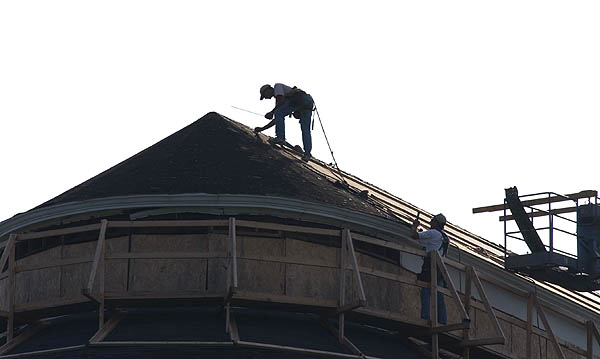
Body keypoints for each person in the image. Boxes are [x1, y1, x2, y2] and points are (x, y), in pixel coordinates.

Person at [254, 83, 314, 161]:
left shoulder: (277, 87)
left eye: (264, 95)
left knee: (278, 112)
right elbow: (277, 120)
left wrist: (272, 112)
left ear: (268, 90)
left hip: (301, 100)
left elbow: (280, 105)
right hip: (307, 103)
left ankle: (280, 138)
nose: (266, 98)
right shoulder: (279, 101)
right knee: (305, 129)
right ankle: (307, 154)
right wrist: (262, 129)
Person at [411, 213, 450, 325]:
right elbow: (430, 243)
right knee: (439, 296)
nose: (430, 222)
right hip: (441, 270)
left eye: (432, 221)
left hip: (431, 267)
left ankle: (425, 318)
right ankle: (442, 322)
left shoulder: (433, 233)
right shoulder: (446, 238)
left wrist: (415, 225)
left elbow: (414, 236)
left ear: (436, 223)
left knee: (426, 291)